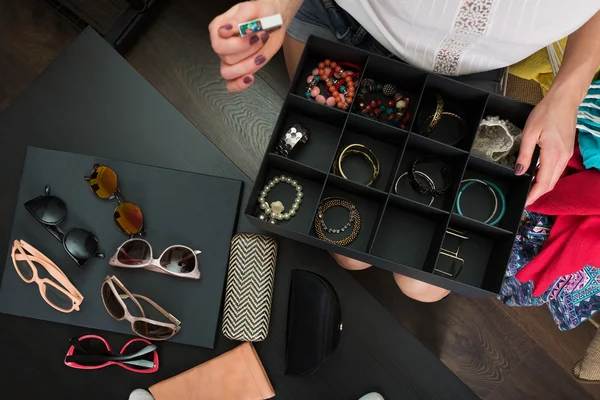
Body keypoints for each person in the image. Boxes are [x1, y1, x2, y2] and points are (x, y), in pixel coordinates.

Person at [209, 0, 600, 302]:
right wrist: (277, 6)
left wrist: (570, 90)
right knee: (350, 255)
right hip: (345, 26)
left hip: (471, 77)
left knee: (423, 287)